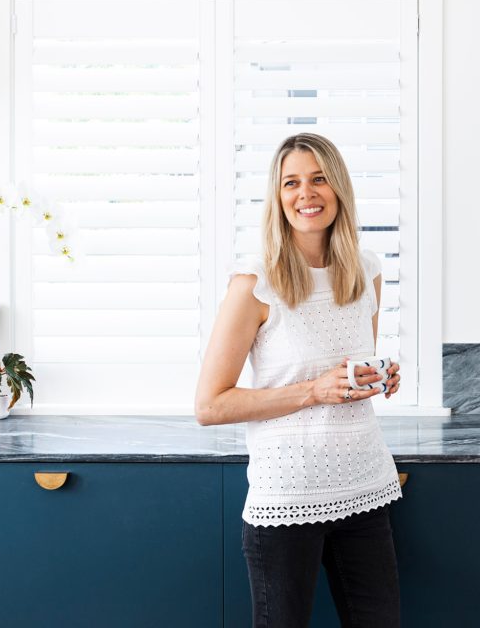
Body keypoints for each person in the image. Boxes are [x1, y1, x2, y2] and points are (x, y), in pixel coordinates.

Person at [195, 132, 403, 628]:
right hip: (287, 495)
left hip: (364, 485)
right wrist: (313, 391)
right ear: (278, 195)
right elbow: (210, 405)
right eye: (292, 182)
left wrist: (381, 377)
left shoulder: (365, 271)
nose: (305, 194)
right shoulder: (254, 283)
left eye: (319, 179)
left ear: (339, 189)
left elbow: (351, 367)